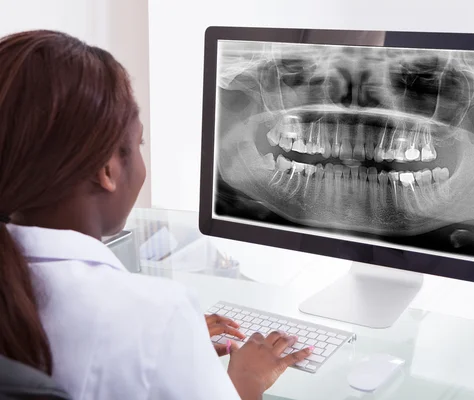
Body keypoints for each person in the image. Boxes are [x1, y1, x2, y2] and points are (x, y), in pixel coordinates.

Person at [0, 30, 312, 400]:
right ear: (107, 170)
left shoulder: (147, 321)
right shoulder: (154, 316)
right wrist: (249, 380)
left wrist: (172, 347)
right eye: (137, 144)